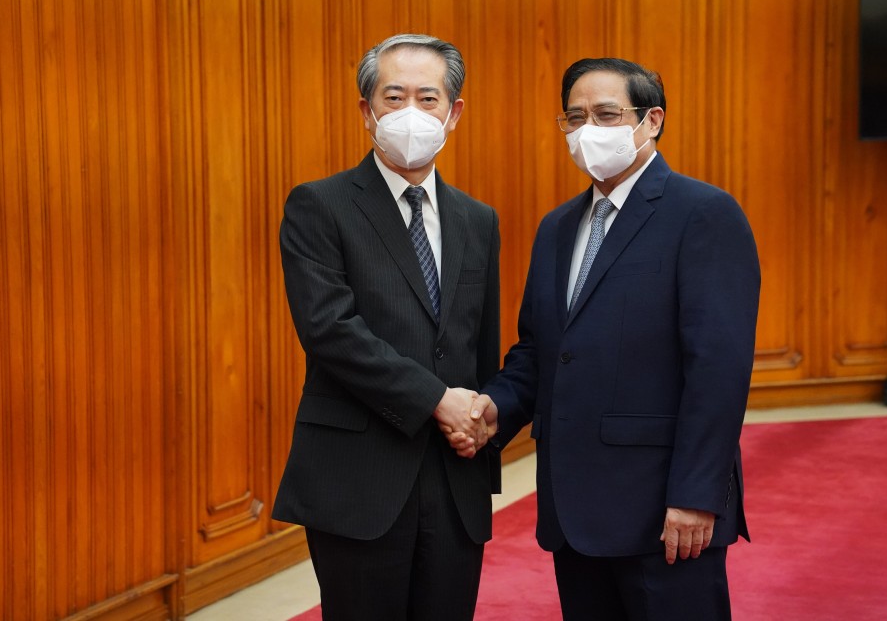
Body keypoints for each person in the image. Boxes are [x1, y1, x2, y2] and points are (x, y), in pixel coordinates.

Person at [467, 58, 760, 620]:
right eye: (574, 117)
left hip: (666, 514)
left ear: (651, 121)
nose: (587, 131)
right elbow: (540, 352)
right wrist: (490, 411)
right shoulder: (557, 227)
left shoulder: (704, 214)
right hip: (573, 510)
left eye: (606, 114)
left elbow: (717, 372)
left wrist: (697, 497)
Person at [272, 33, 501, 621]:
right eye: (393, 96)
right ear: (365, 111)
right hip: (359, 478)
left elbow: (479, 342)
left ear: (454, 113)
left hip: (455, 480)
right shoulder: (319, 205)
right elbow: (331, 330)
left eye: (428, 98)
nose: (410, 113)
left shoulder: (478, 219)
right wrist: (436, 401)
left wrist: (480, 419)